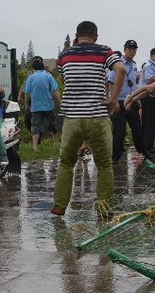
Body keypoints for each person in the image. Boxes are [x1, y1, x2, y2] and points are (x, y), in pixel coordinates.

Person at [51, 21, 124, 219]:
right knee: (103, 164)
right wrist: (114, 99)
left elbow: (65, 79)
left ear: (76, 35)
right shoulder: (104, 52)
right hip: (98, 117)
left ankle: (59, 205)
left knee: (66, 162)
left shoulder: (64, 55)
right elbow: (121, 70)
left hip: (72, 118)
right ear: (96, 36)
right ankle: (103, 208)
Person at [108, 40, 145, 163]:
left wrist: (136, 99)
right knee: (119, 131)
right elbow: (111, 82)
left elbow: (134, 84)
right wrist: (114, 101)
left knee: (137, 129)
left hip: (132, 101)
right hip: (119, 101)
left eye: (134, 49)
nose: (132, 51)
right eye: (129, 48)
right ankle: (115, 157)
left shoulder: (134, 65)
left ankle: (144, 152)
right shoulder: (117, 64)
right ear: (124, 49)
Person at [19, 56, 61, 152]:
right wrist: (60, 102)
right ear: (43, 66)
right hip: (48, 105)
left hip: (35, 107)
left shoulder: (31, 77)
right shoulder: (48, 75)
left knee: (36, 127)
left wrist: (27, 105)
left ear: (33, 67)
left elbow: (27, 93)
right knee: (52, 125)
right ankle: (56, 144)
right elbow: (55, 91)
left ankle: (35, 147)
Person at [138, 46, 155, 154]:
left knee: (152, 122)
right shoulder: (149, 66)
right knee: (148, 122)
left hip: (152, 96)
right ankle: (146, 147)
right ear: (151, 56)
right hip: (147, 96)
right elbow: (149, 79)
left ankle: (149, 145)